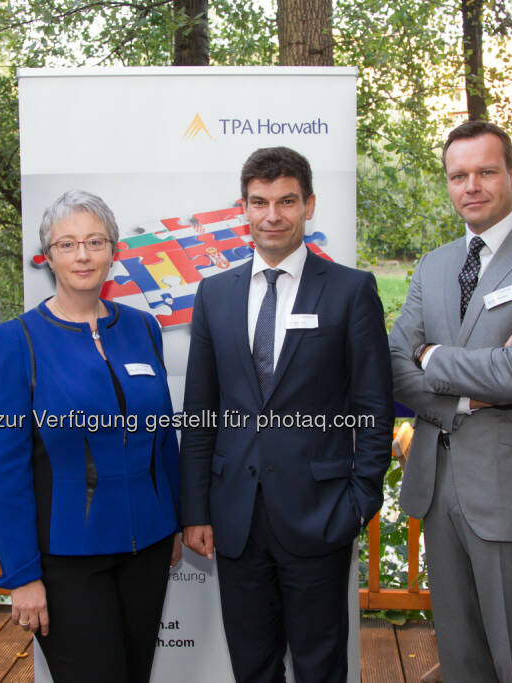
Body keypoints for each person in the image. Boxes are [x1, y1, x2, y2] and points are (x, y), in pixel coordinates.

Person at [181, 146, 394, 683]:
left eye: (286, 201)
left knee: (321, 667)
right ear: (244, 208)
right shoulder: (214, 294)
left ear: (309, 205)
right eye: (259, 202)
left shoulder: (351, 291)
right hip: (236, 519)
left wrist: (361, 498)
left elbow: (373, 405)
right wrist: (196, 510)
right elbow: (200, 409)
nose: (272, 215)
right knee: (252, 666)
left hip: (320, 515)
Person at [389, 120, 512, 682]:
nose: (471, 185)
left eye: (485, 171)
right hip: (437, 481)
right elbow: (392, 365)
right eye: (458, 175)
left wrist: (429, 356)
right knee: (460, 656)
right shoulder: (434, 264)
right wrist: (458, 400)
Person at [0, 190, 182, 683]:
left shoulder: (142, 328)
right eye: (67, 244)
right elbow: (4, 472)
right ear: (47, 256)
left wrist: (175, 521)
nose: (83, 255)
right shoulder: (16, 341)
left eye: (95, 241)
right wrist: (22, 575)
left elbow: (163, 439)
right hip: (66, 561)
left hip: (149, 549)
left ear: (114, 250)